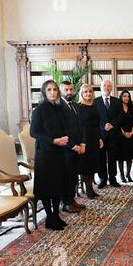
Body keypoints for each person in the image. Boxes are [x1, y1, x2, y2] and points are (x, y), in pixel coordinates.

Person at [30, 80, 70, 230]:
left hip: (59, 152)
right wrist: (54, 140)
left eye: (54, 89)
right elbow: (34, 132)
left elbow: (64, 127)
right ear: (44, 92)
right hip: (45, 153)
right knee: (47, 187)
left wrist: (65, 138)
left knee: (57, 185)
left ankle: (55, 215)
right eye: (49, 90)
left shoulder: (59, 108)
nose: (52, 92)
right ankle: (49, 217)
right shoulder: (39, 110)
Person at [59, 81, 86, 214]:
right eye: (66, 90)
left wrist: (83, 143)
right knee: (67, 177)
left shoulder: (75, 105)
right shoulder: (58, 107)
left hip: (78, 147)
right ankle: (66, 203)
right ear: (61, 91)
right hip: (66, 149)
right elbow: (60, 131)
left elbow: (81, 126)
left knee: (74, 176)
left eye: (71, 89)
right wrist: (73, 146)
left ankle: (72, 200)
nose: (69, 92)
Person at [94, 80, 124, 189]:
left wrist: (112, 124)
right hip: (100, 135)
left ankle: (113, 179)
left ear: (112, 88)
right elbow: (94, 118)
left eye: (109, 86)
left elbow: (121, 116)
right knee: (101, 158)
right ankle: (102, 179)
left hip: (113, 134)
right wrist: (103, 126)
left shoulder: (117, 101)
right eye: (105, 86)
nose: (107, 87)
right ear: (101, 87)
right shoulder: (95, 101)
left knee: (112, 158)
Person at [77, 84, 103, 199]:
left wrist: (99, 138)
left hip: (94, 137)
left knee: (93, 164)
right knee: (86, 165)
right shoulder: (79, 107)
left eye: (90, 92)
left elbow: (98, 124)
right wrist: (82, 142)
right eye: (85, 92)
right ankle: (88, 190)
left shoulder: (94, 105)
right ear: (81, 94)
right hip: (85, 139)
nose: (88, 94)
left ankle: (91, 188)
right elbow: (80, 126)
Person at [117, 90, 133, 183]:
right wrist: (123, 133)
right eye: (124, 96)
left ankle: (128, 174)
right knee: (121, 157)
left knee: (129, 157)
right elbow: (117, 122)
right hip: (121, 135)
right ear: (121, 97)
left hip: (131, 135)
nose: (126, 98)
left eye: (128, 96)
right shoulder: (118, 108)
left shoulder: (131, 107)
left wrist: (131, 132)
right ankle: (122, 175)